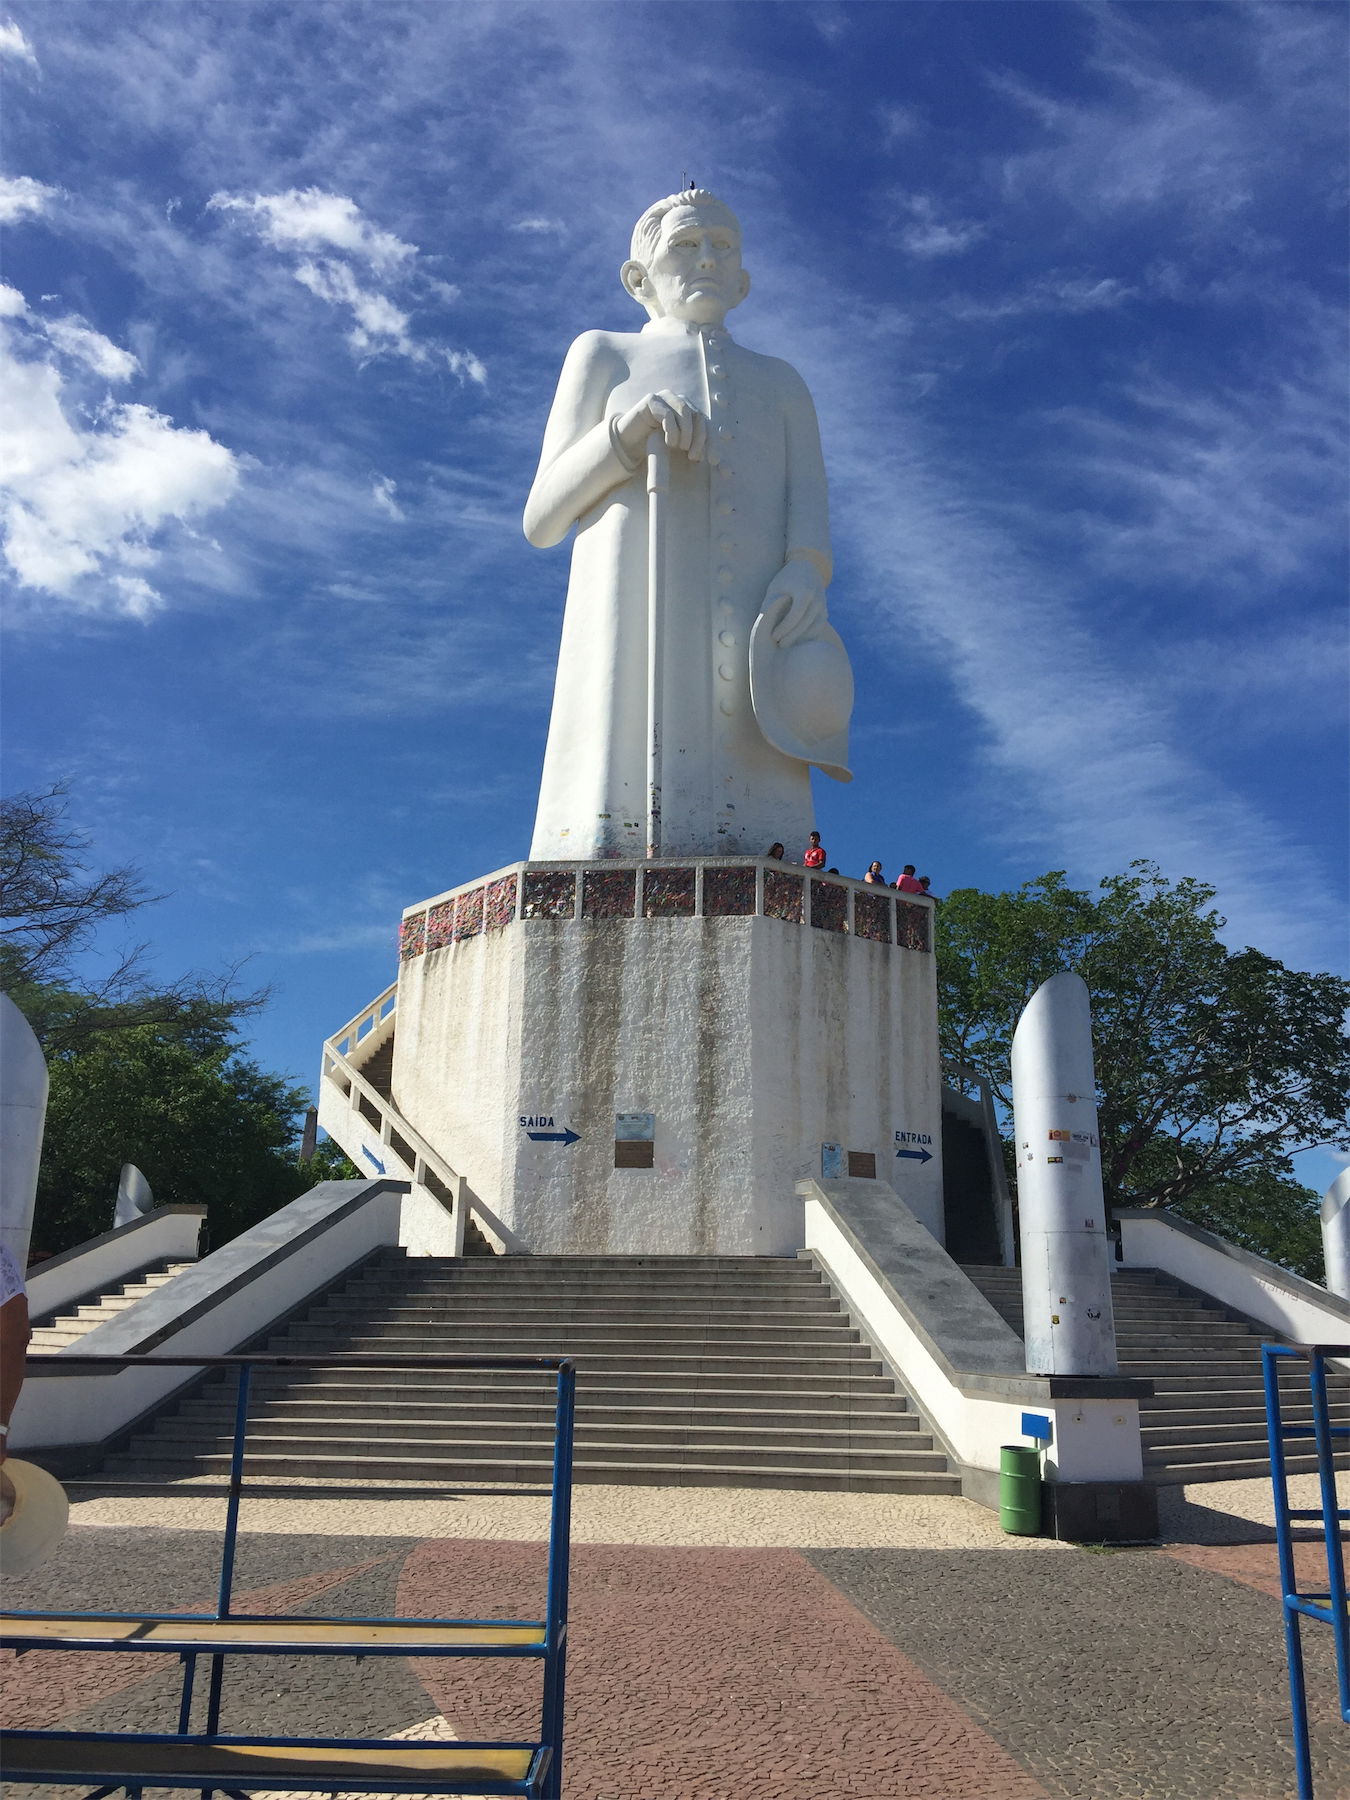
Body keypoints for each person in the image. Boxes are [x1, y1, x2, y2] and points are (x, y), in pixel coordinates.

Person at [524, 187, 853, 861]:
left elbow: (809, 501)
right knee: (622, 772)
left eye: (722, 246)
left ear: (744, 279)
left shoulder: (782, 382)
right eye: (685, 244)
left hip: (757, 617)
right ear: (637, 277)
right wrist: (623, 432)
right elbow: (541, 516)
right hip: (636, 607)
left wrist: (805, 567)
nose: (706, 258)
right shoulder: (604, 353)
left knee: (752, 758)